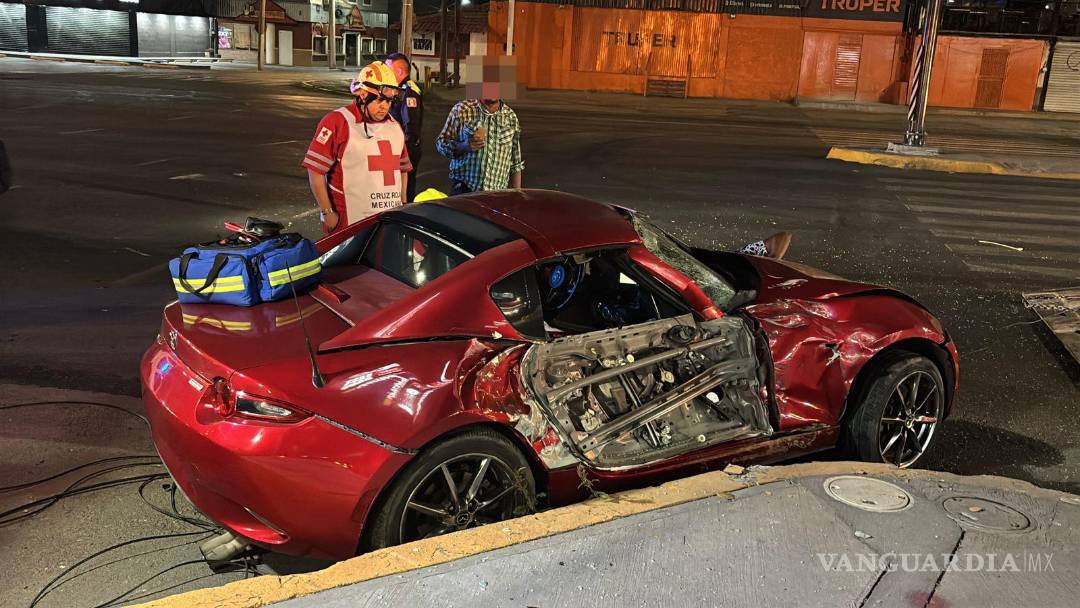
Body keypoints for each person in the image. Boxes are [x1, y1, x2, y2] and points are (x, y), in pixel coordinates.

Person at [302, 61, 412, 233]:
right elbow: (315, 171)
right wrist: (328, 213)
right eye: (380, 99)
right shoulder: (337, 122)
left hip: (387, 224)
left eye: (389, 101)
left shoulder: (394, 127)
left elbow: (402, 169)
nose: (385, 106)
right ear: (363, 95)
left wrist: (403, 204)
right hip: (349, 222)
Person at [435, 56, 523, 194]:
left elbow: (516, 162)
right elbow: (441, 143)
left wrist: (517, 194)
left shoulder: (510, 117)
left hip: (497, 195)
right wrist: (463, 146)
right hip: (464, 189)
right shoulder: (462, 109)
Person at [385, 52, 424, 203]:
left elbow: (411, 125)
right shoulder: (399, 89)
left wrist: (403, 150)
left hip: (406, 148)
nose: (385, 73)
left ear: (399, 71)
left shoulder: (409, 91)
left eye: (388, 69)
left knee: (405, 189)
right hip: (400, 147)